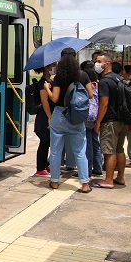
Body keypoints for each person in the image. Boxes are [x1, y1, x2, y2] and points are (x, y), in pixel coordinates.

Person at [43, 51, 93, 193]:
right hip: (76, 116)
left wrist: (47, 88)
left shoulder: (59, 77)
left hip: (60, 114)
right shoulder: (83, 75)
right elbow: (90, 95)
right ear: (75, 59)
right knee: (79, 151)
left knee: (56, 150)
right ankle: (84, 183)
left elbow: (54, 98)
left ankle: (54, 181)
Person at [93, 52, 128, 189]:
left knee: (109, 151)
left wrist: (98, 122)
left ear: (107, 64)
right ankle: (120, 177)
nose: (97, 63)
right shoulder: (119, 78)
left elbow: (104, 104)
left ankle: (108, 180)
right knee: (120, 149)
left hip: (110, 121)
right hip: (122, 119)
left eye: (99, 61)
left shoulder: (105, 81)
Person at [81, 60, 104, 176]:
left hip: (87, 115)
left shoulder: (86, 84)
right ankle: (98, 167)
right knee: (96, 142)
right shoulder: (99, 83)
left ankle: (87, 170)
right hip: (97, 115)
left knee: (87, 143)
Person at [33, 65, 55, 177]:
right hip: (44, 116)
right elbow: (44, 101)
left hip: (48, 115)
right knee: (44, 141)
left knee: (47, 141)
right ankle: (40, 168)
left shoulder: (49, 81)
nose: (55, 67)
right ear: (47, 67)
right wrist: (49, 117)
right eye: (53, 65)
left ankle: (45, 165)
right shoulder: (43, 83)